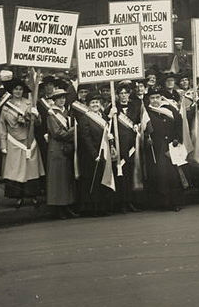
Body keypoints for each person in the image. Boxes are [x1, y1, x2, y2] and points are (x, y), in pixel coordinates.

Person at [0, 78, 44, 208]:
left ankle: (33, 195)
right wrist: (3, 145)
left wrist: (35, 116)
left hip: (29, 140)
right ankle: (18, 197)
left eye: (20, 89)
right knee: (16, 169)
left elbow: (38, 124)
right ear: (11, 91)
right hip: (14, 141)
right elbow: (2, 126)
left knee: (31, 168)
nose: (18, 91)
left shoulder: (29, 103)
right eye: (15, 89)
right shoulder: (6, 107)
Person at [143, 87, 185, 211]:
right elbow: (143, 129)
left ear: (161, 98)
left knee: (173, 175)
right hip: (156, 148)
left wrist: (178, 138)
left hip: (171, 146)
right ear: (149, 99)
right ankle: (162, 203)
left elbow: (179, 124)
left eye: (157, 97)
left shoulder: (170, 109)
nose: (155, 100)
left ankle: (175, 203)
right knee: (160, 175)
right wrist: (146, 138)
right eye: (152, 98)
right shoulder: (146, 112)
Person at [72, 88, 111, 216]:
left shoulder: (103, 116)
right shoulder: (85, 118)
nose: (95, 105)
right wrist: (94, 154)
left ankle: (102, 207)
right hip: (91, 155)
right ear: (88, 105)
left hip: (103, 151)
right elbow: (86, 138)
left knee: (100, 179)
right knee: (91, 180)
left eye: (97, 102)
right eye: (92, 103)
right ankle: (92, 208)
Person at [107, 82, 142, 213]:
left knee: (131, 173)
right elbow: (106, 126)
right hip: (119, 145)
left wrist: (137, 126)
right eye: (121, 93)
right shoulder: (112, 107)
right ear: (117, 95)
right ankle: (121, 202)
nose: (123, 96)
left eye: (125, 93)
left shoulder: (135, 107)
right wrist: (110, 115)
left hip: (132, 146)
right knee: (120, 175)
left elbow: (140, 121)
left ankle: (131, 201)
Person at [45, 88, 77, 219]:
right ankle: (58, 208)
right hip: (57, 149)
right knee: (57, 180)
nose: (62, 100)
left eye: (63, 97)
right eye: (59, 98)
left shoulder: (67, 112)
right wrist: (74, 131)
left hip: (66, 148)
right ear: (54, 100)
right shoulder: (52, 114)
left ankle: (67, 205)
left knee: (66, 178)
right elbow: (57, 133)